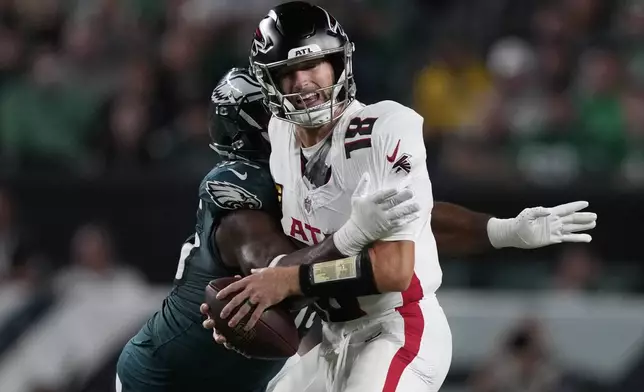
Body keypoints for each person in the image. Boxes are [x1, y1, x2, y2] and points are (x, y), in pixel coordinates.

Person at [215, 3, 597, 392]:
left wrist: (289, 280)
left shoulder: (382, 128)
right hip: (331, 337)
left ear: (338, 62)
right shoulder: (277, 136)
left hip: (396, 329)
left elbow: (394, 267)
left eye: (314, 64)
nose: (303, 81)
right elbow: (417, 218)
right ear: (268, 82)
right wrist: (246, 304)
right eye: (286, 72)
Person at [114, 67, 421, 392]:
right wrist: (354, 237)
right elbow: (275, 272)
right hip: (163, 382)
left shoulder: (320, 184)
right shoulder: (242, 201)